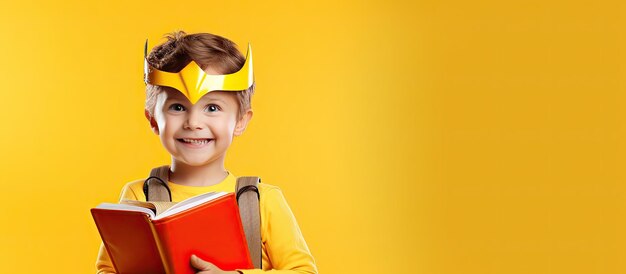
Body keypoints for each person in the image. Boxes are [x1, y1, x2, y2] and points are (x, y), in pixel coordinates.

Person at [95, 30, 318, 274]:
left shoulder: (262, 200)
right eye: (177, 107)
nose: (193, 122)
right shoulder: (138, 196)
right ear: (153, 120)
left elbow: (303, 271)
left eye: (212, 107)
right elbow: (109, 269)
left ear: (241, 121)